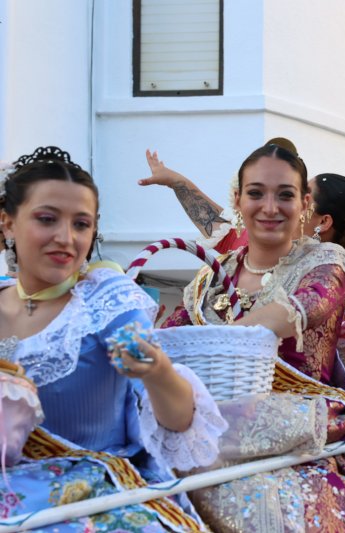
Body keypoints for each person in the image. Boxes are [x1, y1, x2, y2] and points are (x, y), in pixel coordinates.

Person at [164, 142, 345, 532]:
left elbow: (298, 310)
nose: (270, 207)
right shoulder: (213, 275)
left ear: (304, 203)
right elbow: (169, 336)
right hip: (203, 416)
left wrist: (214, 343)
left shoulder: (326, 262)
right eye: (256, 193)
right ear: (238, 200)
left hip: (292, 418)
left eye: (285, 195)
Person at [0, 146, 227, 531]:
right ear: (7, 223)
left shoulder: (106, 301)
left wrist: (157, 371)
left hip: (88, 500)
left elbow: (178, 420)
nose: (65, 238)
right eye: (47, 219)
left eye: (81, 224)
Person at [139, 140, 345, 255]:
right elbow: (215, 225)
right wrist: (176, 182)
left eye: (293, 195)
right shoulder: (258, 244)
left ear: (324, 222)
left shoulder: (330, 274)